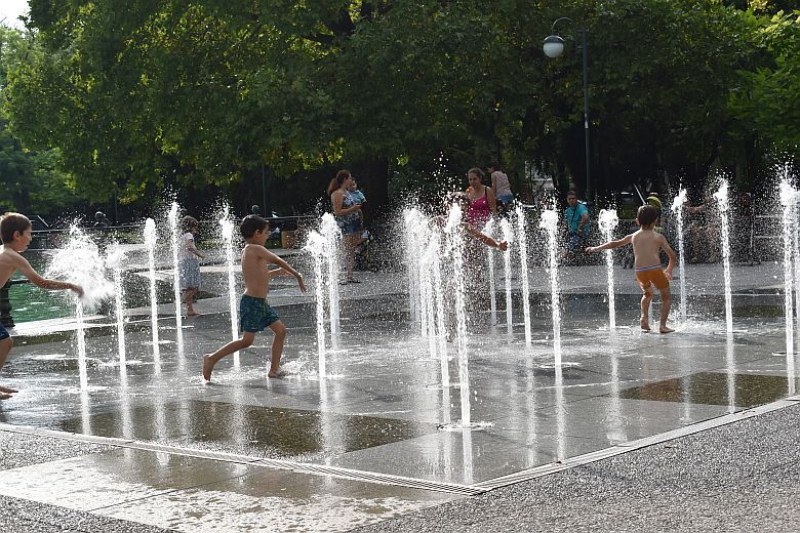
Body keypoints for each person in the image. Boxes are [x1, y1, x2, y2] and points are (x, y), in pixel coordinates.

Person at [202, 215, 306, 381]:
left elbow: (259, 276)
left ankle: (274, 370)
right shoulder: (255, 249)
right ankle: (212, 358)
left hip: (260, 303)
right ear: (257, 233)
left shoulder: (248, 251)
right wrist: (297, 275)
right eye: (265, 232)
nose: (267, 235)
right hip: (252, 303)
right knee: (247, 341)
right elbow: (278, 259)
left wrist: (277, 273)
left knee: (281, 331)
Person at [0, 213, 84, 398]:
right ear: (17, 235)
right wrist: (70, 285)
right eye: (29, 233)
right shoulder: (14, 257)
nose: (31, 238)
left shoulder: (3, 251)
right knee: (4, 342)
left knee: (4, 342)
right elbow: (42, 283)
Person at [586, 205, 677, 334]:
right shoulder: (658, 237)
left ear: (637, 221)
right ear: (655, 221)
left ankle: (644, 317)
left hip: (640, 272)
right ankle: (662, 326)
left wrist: (596, 248)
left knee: (647, 294)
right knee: (666, 297)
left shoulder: (633, 236)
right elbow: (672, 256)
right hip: (655, 270)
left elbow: (614, 243)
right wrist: (668, 270)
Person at [328, 169, 365, 283]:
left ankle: (350, 276)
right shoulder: (337, 193)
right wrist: (353, 209)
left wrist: (359, 213)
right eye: (349, 178)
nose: (351, 180)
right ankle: (342, 276)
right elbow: (338, 212)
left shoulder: (347, 192)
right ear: (344, 179)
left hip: (354, 225)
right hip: (345, 227)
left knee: (351, 251)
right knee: (345, 251)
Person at [178, 215, 204, 317]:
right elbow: (190, 247)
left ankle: (190, 310)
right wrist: (200, 255)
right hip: (190, 262)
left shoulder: (182, 235)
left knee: (189, 287)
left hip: (185, 261)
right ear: (191, 226)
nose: (196, 230)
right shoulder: (189, 235)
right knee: (194, 287)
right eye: (195, 227)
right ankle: (182, 299)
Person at [563, 190, 591, 258]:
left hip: (580, 234)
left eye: (573, 198)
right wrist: (563, 233)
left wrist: (580, 228)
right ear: (567, 200)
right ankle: (570, 255)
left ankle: (567, 255)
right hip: (571, 235)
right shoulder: (567, 211)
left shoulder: (581, 207)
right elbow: (566, 224)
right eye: (569, 199)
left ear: (576, 199)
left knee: (567, 249)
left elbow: (585, 217)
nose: (571, 200)